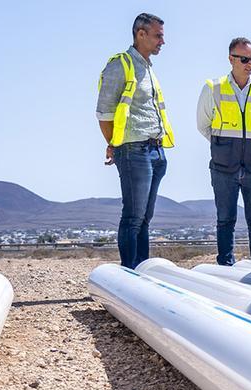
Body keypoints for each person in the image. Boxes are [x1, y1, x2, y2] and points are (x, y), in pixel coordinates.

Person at [96, 13, 174, 269]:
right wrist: (114, 143)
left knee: (145, 218)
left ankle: (142, 272)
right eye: (158, 36)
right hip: (133, 150)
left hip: (155, 151)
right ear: (141, 34)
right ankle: (129, 275)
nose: (163, 41)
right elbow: (104, 113)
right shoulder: (121, 65)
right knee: (133, 217)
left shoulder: (149, 68)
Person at [196, 37, 251, 266]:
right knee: (225, 220)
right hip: (224, 167)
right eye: (244, 59)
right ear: (231, 59)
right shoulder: (213, 88)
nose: (250, 64)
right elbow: (204, 125)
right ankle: (225, 269)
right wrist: (225, 146)